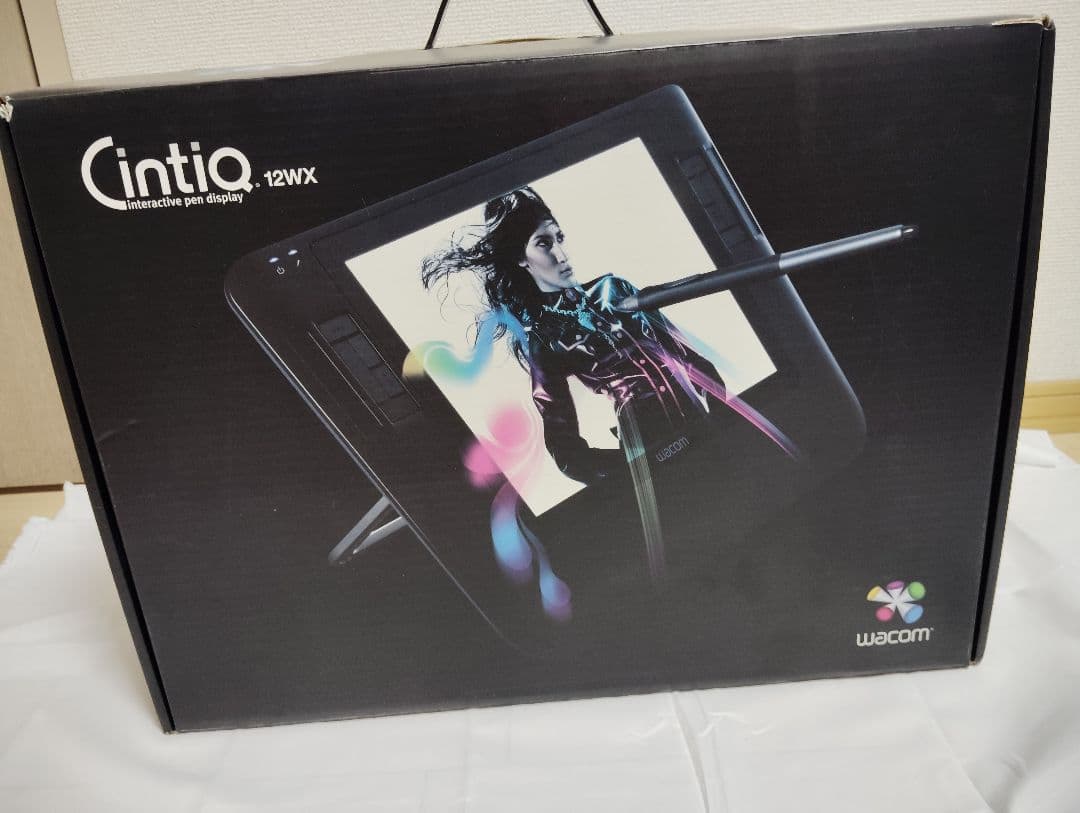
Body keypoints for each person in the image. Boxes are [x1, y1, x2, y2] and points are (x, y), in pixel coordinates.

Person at [420, 186, 727, 489]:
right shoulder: (543, 337)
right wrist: (626, 470)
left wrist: (725, 412)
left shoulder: (614, 288)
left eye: (559, 238)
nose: (560, 254)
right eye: (543, 243)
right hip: (647, 450)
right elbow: (563, 443)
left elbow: (688, 357)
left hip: (702, 423)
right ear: (521, 258)